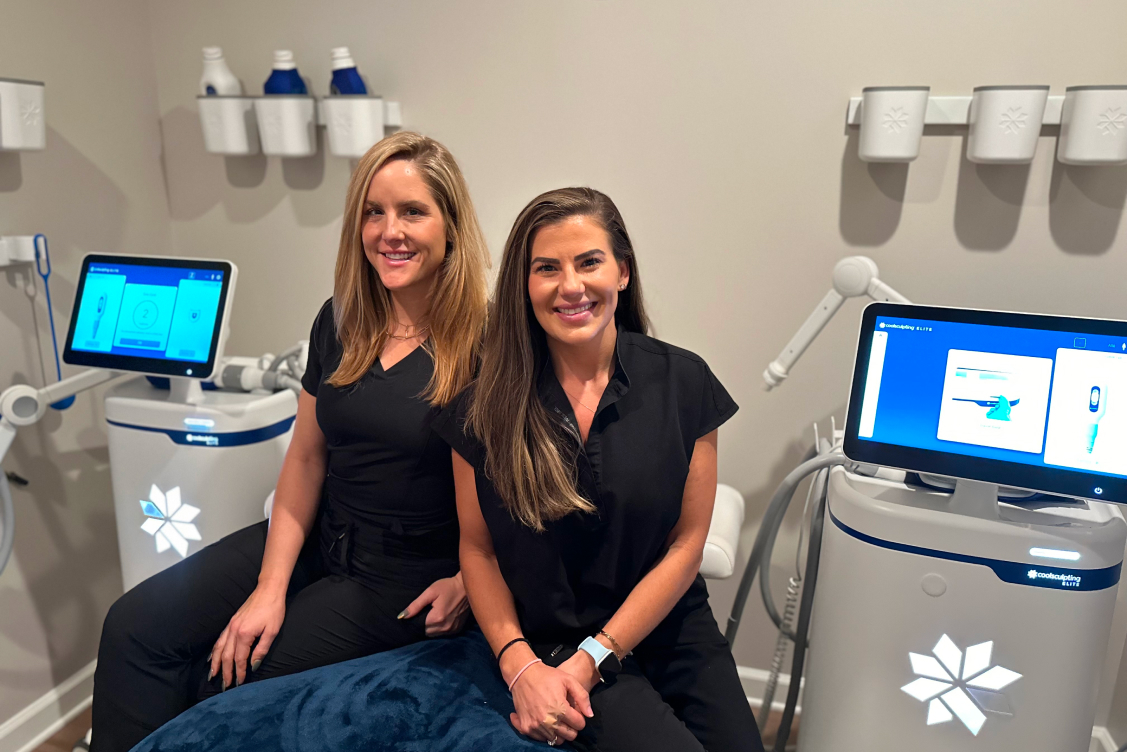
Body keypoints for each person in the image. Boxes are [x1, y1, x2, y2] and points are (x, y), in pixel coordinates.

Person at [90, 132, 490, 752]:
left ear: (451, 226)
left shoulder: (485, 342)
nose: (390, 232)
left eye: (412, 212)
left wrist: (468, 579)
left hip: (401, 578)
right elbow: (306, 458)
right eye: (374, 212)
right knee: (133, 628)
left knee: (221, 679)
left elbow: (515, 490)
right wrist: (269, 587)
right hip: (321, 536)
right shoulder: (342, 319)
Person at [434, 187, 764, 752]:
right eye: (547, 268)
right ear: (523, 285)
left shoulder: (684, 384)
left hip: (671, 626)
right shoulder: (481, 410)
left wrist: (599, 655)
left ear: (623, 272)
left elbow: (687, 545)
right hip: (555, 640)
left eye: (589, 262)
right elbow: (478, 550)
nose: (571, 286)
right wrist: (519, 666)